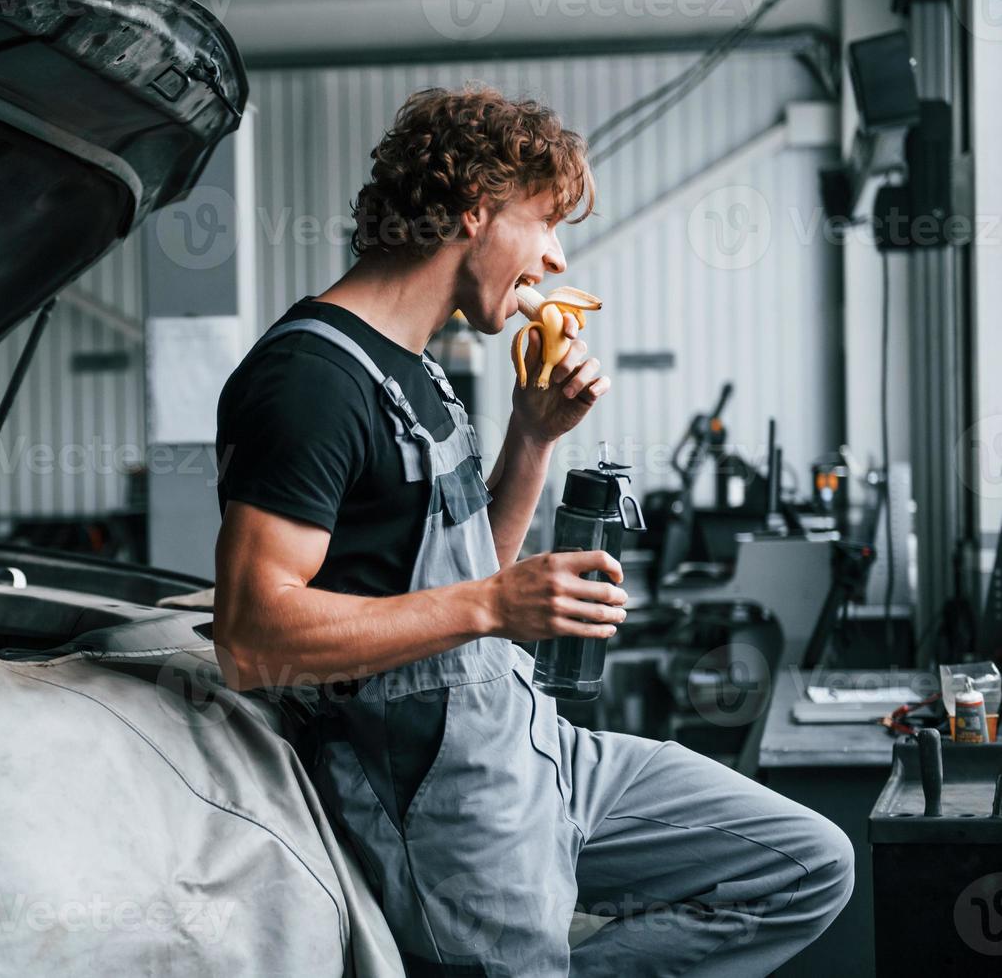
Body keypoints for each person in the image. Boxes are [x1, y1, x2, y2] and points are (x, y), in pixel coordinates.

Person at [212, 85, 854, 976]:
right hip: (443, 803)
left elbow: (473, 580)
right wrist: (493, 602)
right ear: (474, 207)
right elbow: (250, 639)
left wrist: (533, 436)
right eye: (547, 221)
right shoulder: (311, 382)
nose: (555, 258)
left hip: (535, 748)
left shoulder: (424, 373)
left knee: (807, 866)